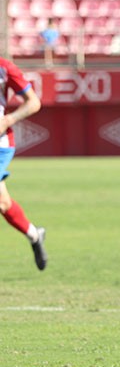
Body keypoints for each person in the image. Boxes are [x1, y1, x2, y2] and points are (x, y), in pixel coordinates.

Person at [0, 57, 48, 270]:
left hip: (1, 144)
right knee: (3, 203)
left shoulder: (5, 68)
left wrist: (8, 120)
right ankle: (34, 235)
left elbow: (33, 102)